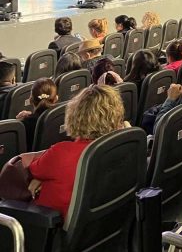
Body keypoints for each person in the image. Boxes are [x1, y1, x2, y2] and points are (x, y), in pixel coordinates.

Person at [27, 85, 125, 218]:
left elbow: (33, 170)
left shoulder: (61, 153)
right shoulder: (123, 149)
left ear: (76, 114)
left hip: (52, 230)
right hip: (102, 229)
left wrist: (39, 179)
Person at [16, 78, 59, 148]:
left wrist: (18, 122)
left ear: (30, 100)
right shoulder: (62, 117)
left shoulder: (25, 124)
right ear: (56, 98)